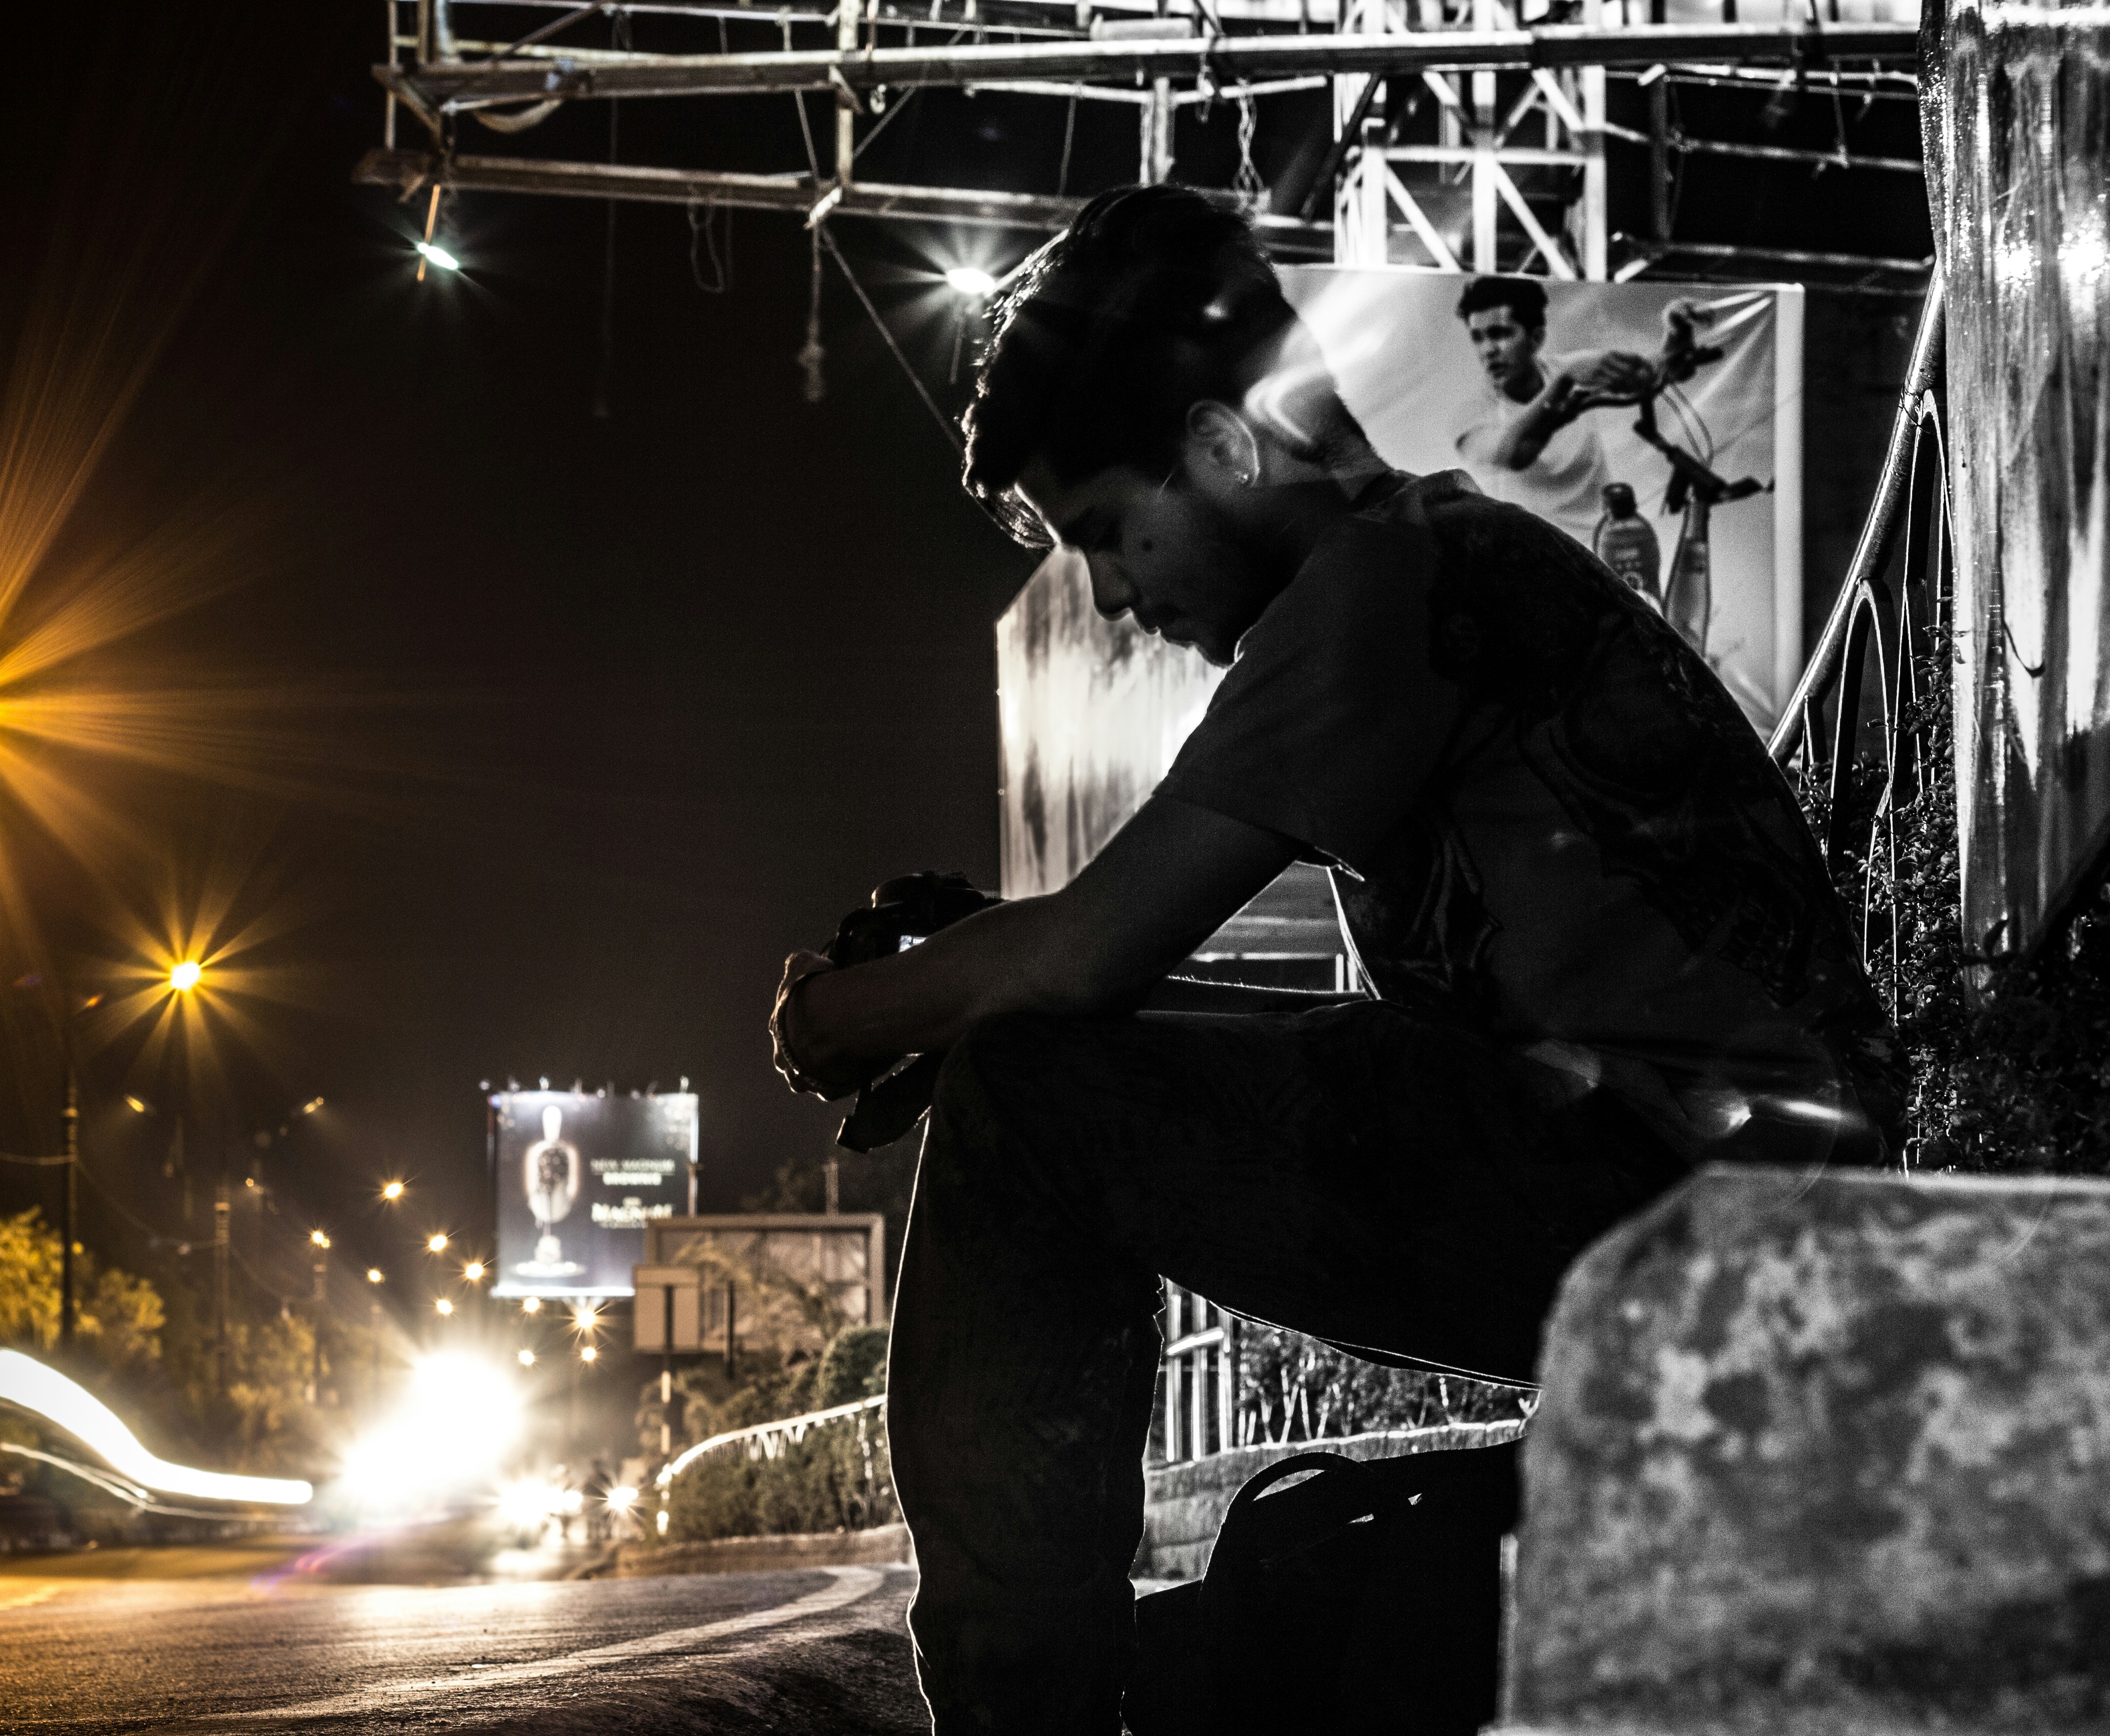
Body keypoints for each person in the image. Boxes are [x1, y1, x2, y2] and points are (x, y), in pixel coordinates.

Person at [765, 187, 1900, 1736]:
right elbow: (1221, 1020)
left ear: (1225, 446)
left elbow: (1094, 949)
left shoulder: (1385, 583)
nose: (1113, 596)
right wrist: (985, 982)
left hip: (1699, 1221)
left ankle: (1017, 1714)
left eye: (1107, 533)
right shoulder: (1437, 563)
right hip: (1729, 1237)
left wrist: (839, 1012)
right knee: (1038, 1062)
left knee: (1026, 1096)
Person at [1450, 274, 1657, 547]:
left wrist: (1676, 337)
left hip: (1599, 551)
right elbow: (1512, 454)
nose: (1488, 350)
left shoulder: (1572, 371)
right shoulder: (1470, 414)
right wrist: (1563, 384)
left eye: (1500, 334)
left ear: (1536, 338)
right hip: (1529, 557)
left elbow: (1648, 375)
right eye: (1478, 338)